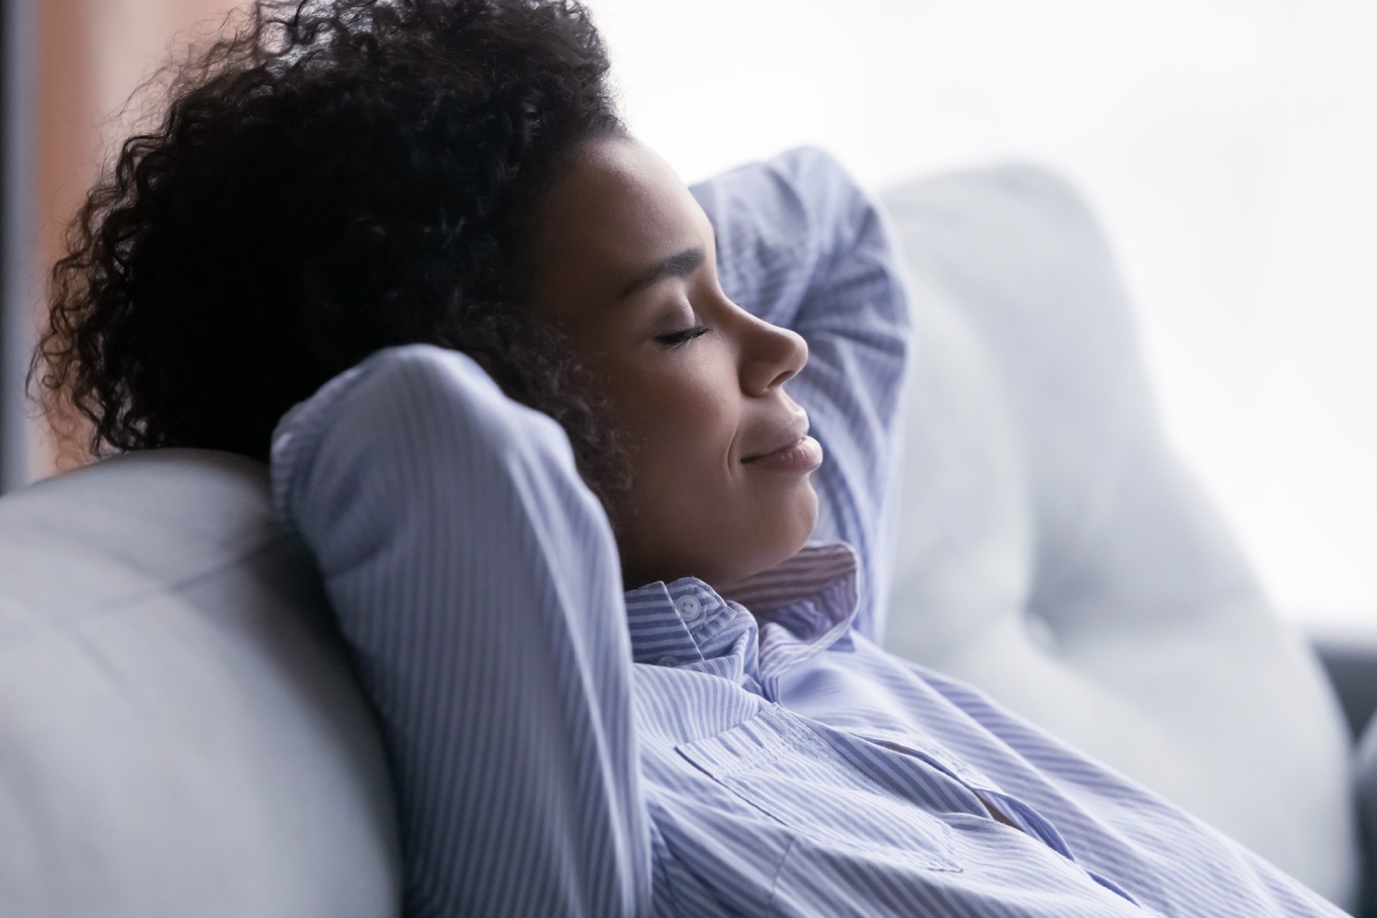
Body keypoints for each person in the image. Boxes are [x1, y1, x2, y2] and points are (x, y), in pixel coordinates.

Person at [34, 1, 1349, 915]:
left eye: (727, 298)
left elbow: (834, 225)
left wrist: (626, 256)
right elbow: (416, 430)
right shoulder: (588, 817)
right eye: (683, 326)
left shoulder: (810, 632)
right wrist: (492, 319)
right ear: (529, 410)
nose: (775, 347)